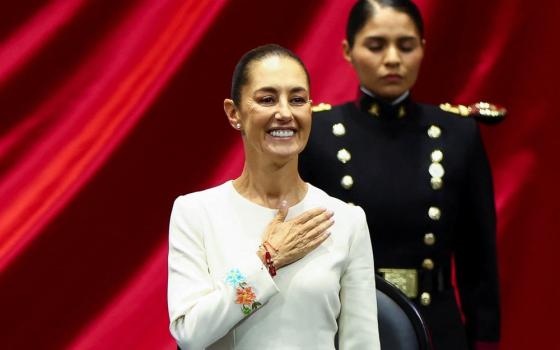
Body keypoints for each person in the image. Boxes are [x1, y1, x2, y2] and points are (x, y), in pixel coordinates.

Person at [299, 1, 501, 349]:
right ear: (348, 51)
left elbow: (478, 256)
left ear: (422, 49)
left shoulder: (458, 133)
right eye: (376, 45)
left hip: (436, 325)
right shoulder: (316, 134)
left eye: (406, 46)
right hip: (342, 325)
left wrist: (483, 337)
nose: (392, 58)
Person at [167, 44, 380, 350]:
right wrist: (267, 261)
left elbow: (362, 344)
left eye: (297, 100)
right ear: (234, 113)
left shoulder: (346, 220)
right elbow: (191, 335)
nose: (284, 113)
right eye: (267, 99)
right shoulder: (196, 213)